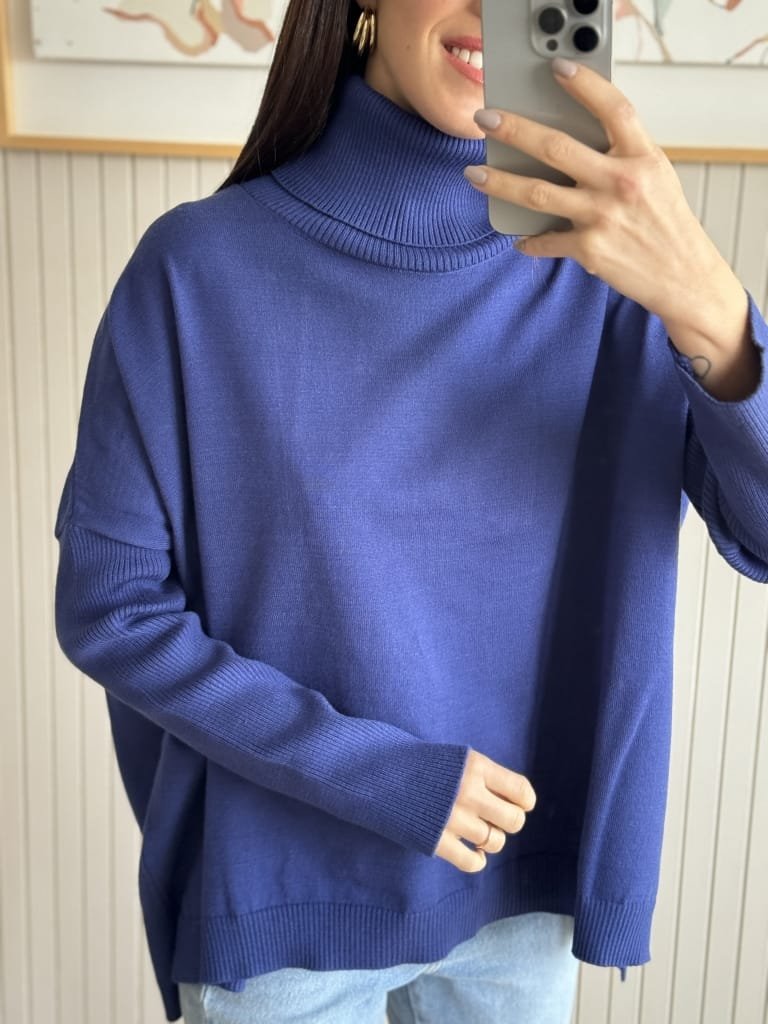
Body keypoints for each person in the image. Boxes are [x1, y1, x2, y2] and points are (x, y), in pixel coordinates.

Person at [52, 1, 768, 1022]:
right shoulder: (197, 271)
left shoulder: (622, 278)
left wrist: (712, 304)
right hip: (285, 903)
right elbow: (110, 609)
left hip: (524, 896)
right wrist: (386, 779)